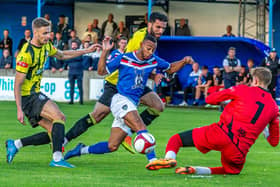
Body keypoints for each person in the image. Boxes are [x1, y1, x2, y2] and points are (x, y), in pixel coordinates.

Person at [64, 35, 194, 170]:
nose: (150, 52)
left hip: (133, 103)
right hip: (120, 100)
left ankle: (81, 150)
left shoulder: (153, 60)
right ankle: (153, 160)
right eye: (148, 48)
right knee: (140, 125)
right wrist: (105, 51)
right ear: (141, 44)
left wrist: (183, 61)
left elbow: (170, 68)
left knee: (112, 146)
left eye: (153, 50)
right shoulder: (124, 58)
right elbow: (102, 71)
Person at [62, 12, 169, 153]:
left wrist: (154, 73)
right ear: (149, 24)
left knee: (158, 105)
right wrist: (154, 74)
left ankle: (128, 133)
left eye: (163, 28)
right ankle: (65, 140)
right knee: (97, 115)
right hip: (117, 82)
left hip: (134, 82)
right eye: (158, 27)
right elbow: (133, 62)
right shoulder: (140, 37)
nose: (160, 31)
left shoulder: (148, 37)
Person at [5, 17, 101, 168]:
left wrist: (86, 50)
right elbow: (17, 84)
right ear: (35, 33)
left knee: (54, 133)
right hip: (28, 97)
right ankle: (57, 158)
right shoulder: (26, 54)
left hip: (34, 94)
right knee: (59, 116)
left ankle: (15, 144)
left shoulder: (46, 46)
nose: (48, 36)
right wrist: (19, 109)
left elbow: (62, 55)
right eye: (44, 33)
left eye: (49, 32)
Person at [147, 67, 279, 175]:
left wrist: (227, 97)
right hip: (240, 148)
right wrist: (265, 130)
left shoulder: (242, 89)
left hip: (220, 134)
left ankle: (170, 159)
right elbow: (274, 142)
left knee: (176, 140)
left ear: (255, 80)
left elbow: (210, 100)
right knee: (231, 171)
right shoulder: (274, 107)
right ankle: (195, 170)